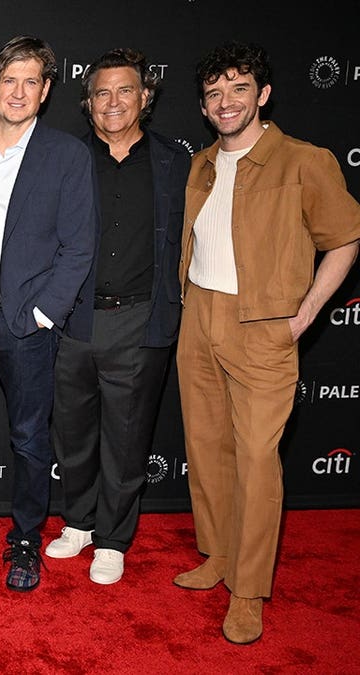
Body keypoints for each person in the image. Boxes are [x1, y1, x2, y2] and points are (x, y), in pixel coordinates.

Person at [175, 41, 360, 644]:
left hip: (263, 326)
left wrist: (303, 316)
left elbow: (345, 239)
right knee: (208, 448)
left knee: (257, 460)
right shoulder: (201, 164)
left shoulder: (305, 161)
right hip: (199, 315)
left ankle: (249, 590)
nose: (225, 102)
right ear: (204, 105)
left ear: (264, 95)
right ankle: (221, 554)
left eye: (238, 89)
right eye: (214, 93)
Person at [0, 36, 97, 592]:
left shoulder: (66, 155)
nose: (18, 92)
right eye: (9, 80)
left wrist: (42, 314)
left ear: (45, 91)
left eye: (31, 82)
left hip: (26, 325)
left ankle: (24, 540)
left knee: (29, 438)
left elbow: (79, 247)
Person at [46, 48, 189, 586]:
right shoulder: (67, 157)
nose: (113, 102)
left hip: (139, 318)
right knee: (73, 432)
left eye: (124, 90)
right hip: (74, 317)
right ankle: (79, 523)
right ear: (88, 102)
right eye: (101, 92)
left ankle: (112, 539)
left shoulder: (175, 163)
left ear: (145, 96)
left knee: (127, 438)